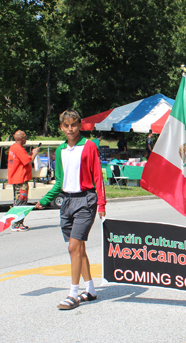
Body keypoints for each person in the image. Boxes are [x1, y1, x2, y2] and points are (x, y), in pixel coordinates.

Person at [35, 110, 106, 310]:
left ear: (79, 125)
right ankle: (90, 289)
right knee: (78, 248)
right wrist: (45, 199)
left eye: (73, 124)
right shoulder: (60, 151)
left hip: (85, 200)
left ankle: (73, 293)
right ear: (61, 128)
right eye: (66, 126)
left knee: (73, 247)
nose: (70, 129)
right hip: (66, 201)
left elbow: (97, 177)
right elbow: (60, 181)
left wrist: (101, 203)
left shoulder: (89, 146)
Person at [7, 131, 40, 231]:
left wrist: (30, 153)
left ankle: (16, 223)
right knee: (21, 201)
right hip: (21, 178)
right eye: (25, 137)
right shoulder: (19, 148)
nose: (26, 138)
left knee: (18, 200)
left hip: (16, 178)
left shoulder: (13, 147)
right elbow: (28, 161)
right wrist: (35, 153)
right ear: (20, 138)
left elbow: (23, 159)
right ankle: (17, 224)